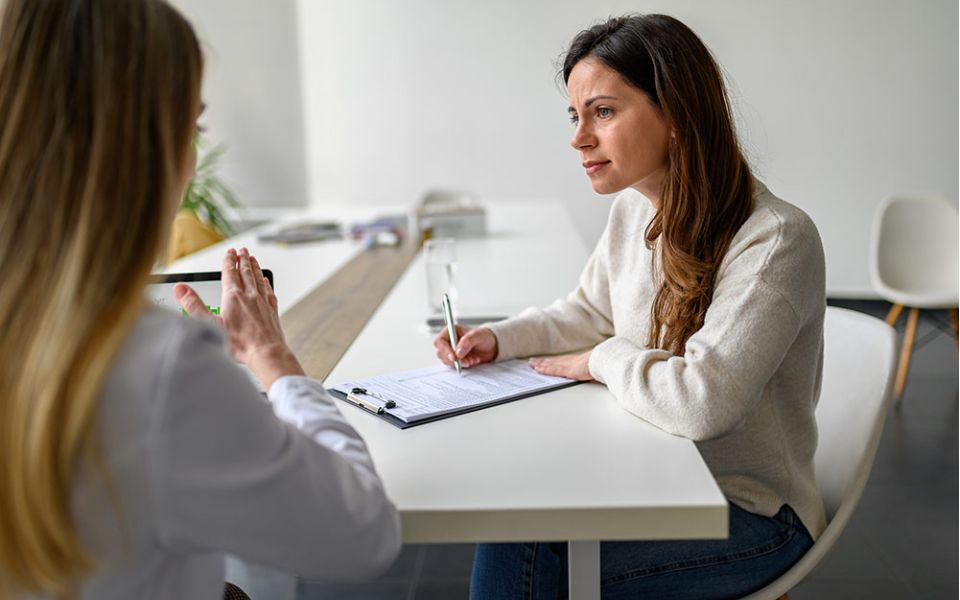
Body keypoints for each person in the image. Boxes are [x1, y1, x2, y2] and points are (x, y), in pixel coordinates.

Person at [0, 1, 400, 598]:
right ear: (139, 147)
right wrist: (275, 361)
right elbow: (364, 536)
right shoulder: (157, 369)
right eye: (192, 128)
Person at [434, 14, 825, 599]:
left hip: (749, 512)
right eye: (575, 115)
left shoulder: (774, 239)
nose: (578, 137)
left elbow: (701, 401)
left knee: (529, 553)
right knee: (518, 519)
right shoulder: (636, 209)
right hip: (653, 478)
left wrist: (602, 361)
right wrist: (500, 338)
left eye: (604, 111)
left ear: (677, 113)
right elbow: (590, 313)